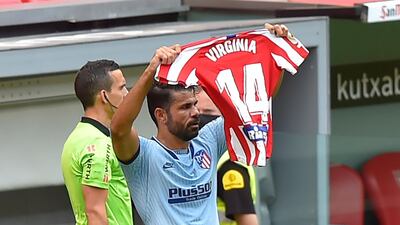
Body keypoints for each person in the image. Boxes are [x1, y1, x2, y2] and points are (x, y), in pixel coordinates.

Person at [111, 24, 291, 225]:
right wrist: (151, 70)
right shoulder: (144, 156)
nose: (196, 112)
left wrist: (276, 51)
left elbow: (259, 101)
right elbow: (119, 129)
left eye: (195, 104)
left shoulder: (208, 140)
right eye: (186, 107)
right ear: (161, 115)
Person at [61, 60, 133, 225]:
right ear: (104, 96)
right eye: (122, 87)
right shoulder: (98, 144)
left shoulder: (76, 138)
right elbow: (95, 211)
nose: (127, 94)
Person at [197, 89, 258, 225]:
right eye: (196, 112)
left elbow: (248, 221)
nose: (199, 118)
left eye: (207, 113)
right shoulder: (204, 156)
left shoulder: (229, 165)